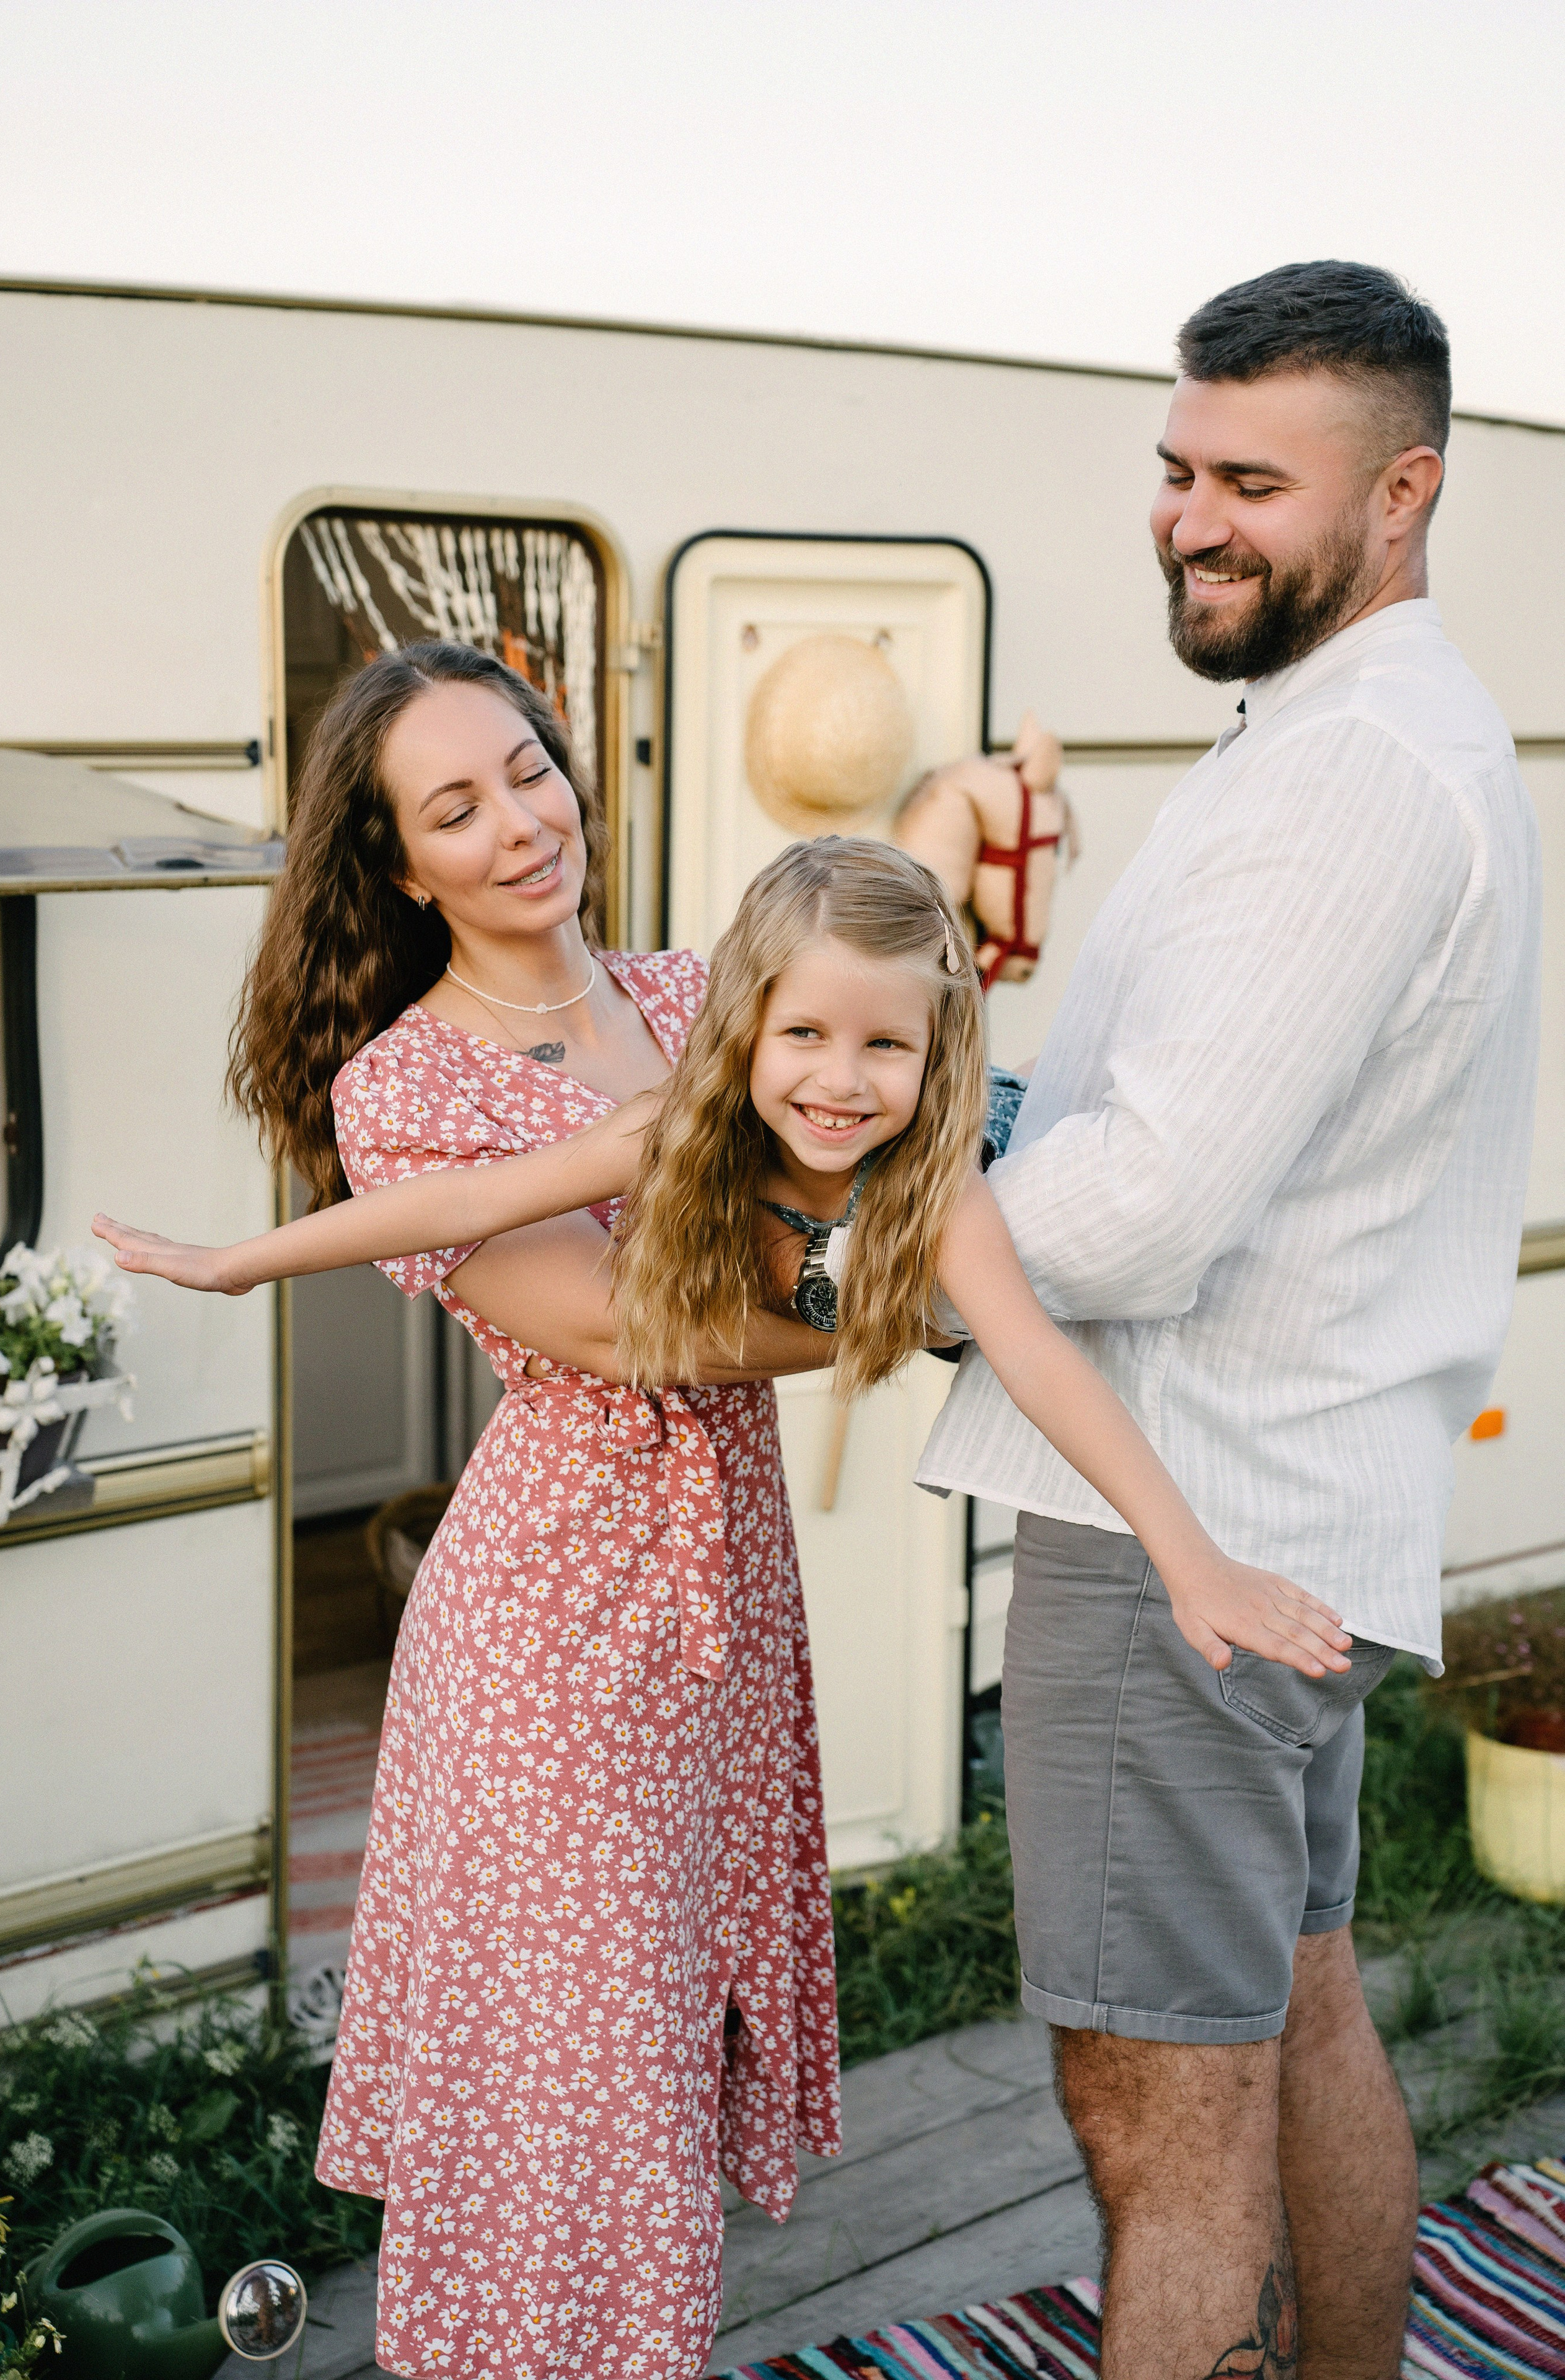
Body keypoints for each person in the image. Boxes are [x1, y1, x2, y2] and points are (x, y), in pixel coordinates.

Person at [914, 263, 1541, 2378]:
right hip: (1298, 1519)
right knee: (1305, 2006)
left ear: (1403, 495)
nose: (1188, 515)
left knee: (1160, 2134)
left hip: (1179, 1533)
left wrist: (890, 1240)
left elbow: (1154, 1199)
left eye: (1251, 479)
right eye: (1176, 466)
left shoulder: (1356, 773)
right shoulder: (1351, 735)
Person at [196, 639, 842, 2380]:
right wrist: (897, 1314)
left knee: (646, 2088)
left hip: (719, 1612)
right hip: (552, 1635)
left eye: (530, 771)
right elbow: (641, 1326)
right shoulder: (401, 1084)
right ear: (402, 866)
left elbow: (840, 1162)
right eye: (454, 809)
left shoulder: (698, 984)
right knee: (570, 2104)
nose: (518, 824)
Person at [99, 833, 1351, 1691]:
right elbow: (466, 1197)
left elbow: (1032, 1355)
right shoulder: (678, 1128)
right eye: (801, 1031)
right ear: (740, 1023)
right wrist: (241, 1261)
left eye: (883, 1045)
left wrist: (1191, 1564)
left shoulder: (939, 1183)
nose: (839, 1081)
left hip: (1076, 1197)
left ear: (932, 1053)